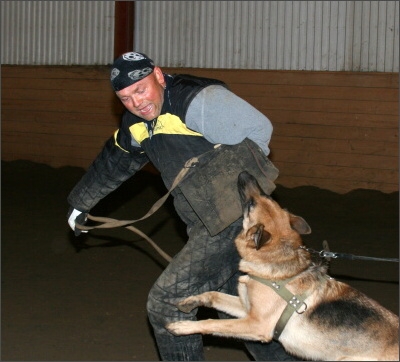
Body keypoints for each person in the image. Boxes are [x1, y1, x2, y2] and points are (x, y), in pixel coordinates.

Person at [67, 51, 298, 361]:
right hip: (204, 224)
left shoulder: (199, 101)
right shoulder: (137, 121)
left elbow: (260, 131)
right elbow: (118, 157)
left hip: (233, 224)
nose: (136, 102)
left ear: (159, 77)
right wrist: (82, 202)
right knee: (244, 316)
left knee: (168, 303)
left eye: (141, 89)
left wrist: (229, 189)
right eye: (125, 98)